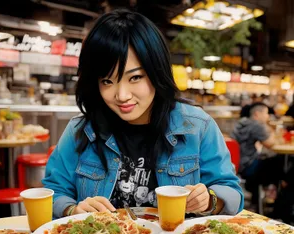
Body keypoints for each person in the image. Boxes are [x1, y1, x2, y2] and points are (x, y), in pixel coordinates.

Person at [43, 9, 243, 219]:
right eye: (107, 81)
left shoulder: (198, 126)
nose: (122, 95)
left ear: (157, 71)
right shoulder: (81, 131)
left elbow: (231, 192)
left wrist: (210, 199)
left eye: (135, 77)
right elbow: (54, 191)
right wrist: (72, 210)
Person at [231, 102, 282, 206]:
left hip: (237, 165)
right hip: (249, 167)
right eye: (266, 113)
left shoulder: (241, 122)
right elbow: (270, 143)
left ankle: (258, 197)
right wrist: (268, 125)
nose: (268, 116)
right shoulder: (256, 125)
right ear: (257, 114)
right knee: (281, 163)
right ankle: (275, 200)